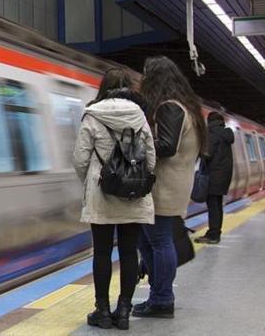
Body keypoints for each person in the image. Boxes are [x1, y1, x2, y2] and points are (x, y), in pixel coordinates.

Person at [73, 67, 156, 330]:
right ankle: (123, 311)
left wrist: (93, 180)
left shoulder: (92, 115)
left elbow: (80, 160)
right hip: (133, 195)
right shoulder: (140, 117)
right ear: (130, 89)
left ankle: (103, 312)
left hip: (101, 194)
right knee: (129, 251)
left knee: (102, 252)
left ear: (103, 87)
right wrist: (135, 178)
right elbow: (152, 160)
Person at [134, 56, 207, 319]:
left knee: (159, 241)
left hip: (165, 185)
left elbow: (166, 146)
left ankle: (163, 299)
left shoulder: (170, 108)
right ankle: (158, 295)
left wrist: (137, 147)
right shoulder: (187, 107)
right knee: (149, 240)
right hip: (174, 183)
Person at [195, 112, 234, 244]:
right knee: (217, 205)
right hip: (223, 176)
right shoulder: (225, 134)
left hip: (213, 176)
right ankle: (215, 232)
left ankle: (213, 235)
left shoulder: (213, 134)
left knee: (213, 206)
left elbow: (207, 154)